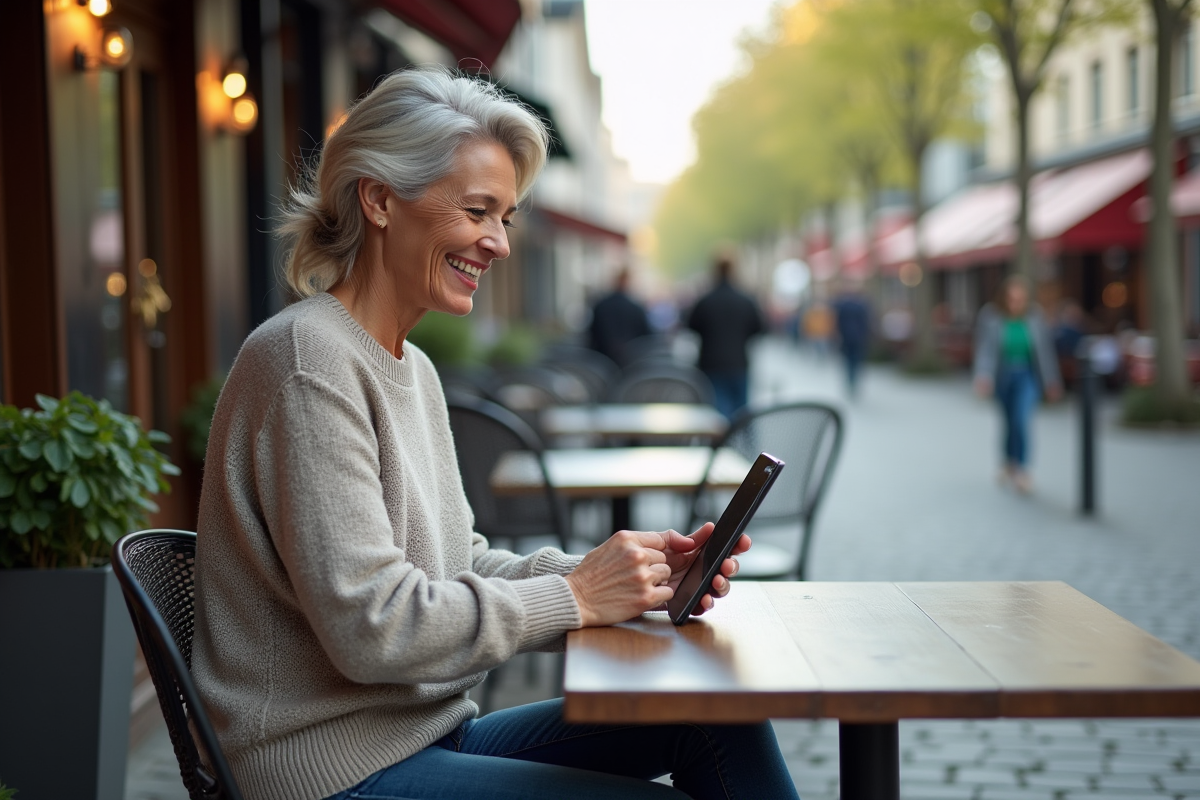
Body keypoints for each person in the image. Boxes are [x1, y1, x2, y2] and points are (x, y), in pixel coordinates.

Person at [190, 68, 798, 800]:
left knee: (716, 717)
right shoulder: (306, 362)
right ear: (380, 199)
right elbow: (373, 625)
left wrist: (623, 579)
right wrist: (576, 597)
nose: (499, 243)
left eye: (504, 218)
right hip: (327, 768)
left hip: (418, 733)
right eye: (479, 211)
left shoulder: (410, 366)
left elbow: (458, 564)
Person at [973, 275, 1063, 493]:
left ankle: (1021, 469)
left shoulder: (1035, 317)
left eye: (1020, 298)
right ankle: (1007, 461)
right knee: (1009, 422)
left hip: (1027, 376)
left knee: (1021, 420)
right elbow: (985, 350)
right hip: (1003, 376)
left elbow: (1045, 353)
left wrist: (1052, 381)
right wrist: (983, 376)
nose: (1016, 303)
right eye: (1012, 298)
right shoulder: (992, 317)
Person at [686, 256, 766, 419]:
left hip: (711, 363)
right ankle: (737, 443)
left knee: (717, 414)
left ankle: (720, 443)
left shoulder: (705, 301)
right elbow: (759, 329)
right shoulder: (746, 300)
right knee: (741, 415)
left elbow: (691, 327)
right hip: (738, 363)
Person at [588, 267, 651, 365]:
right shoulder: (636, 307)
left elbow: (592, 335)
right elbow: (646, 336)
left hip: (603, 361)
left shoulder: (601, 305)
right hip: (631, 361)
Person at [832, 278, 872, 397]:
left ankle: (851, 381)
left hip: (849, 338)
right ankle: (853, 381)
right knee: (854, 361)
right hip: (855, 338)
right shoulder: (861, 304)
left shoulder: (842, 304)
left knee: (850, 361)